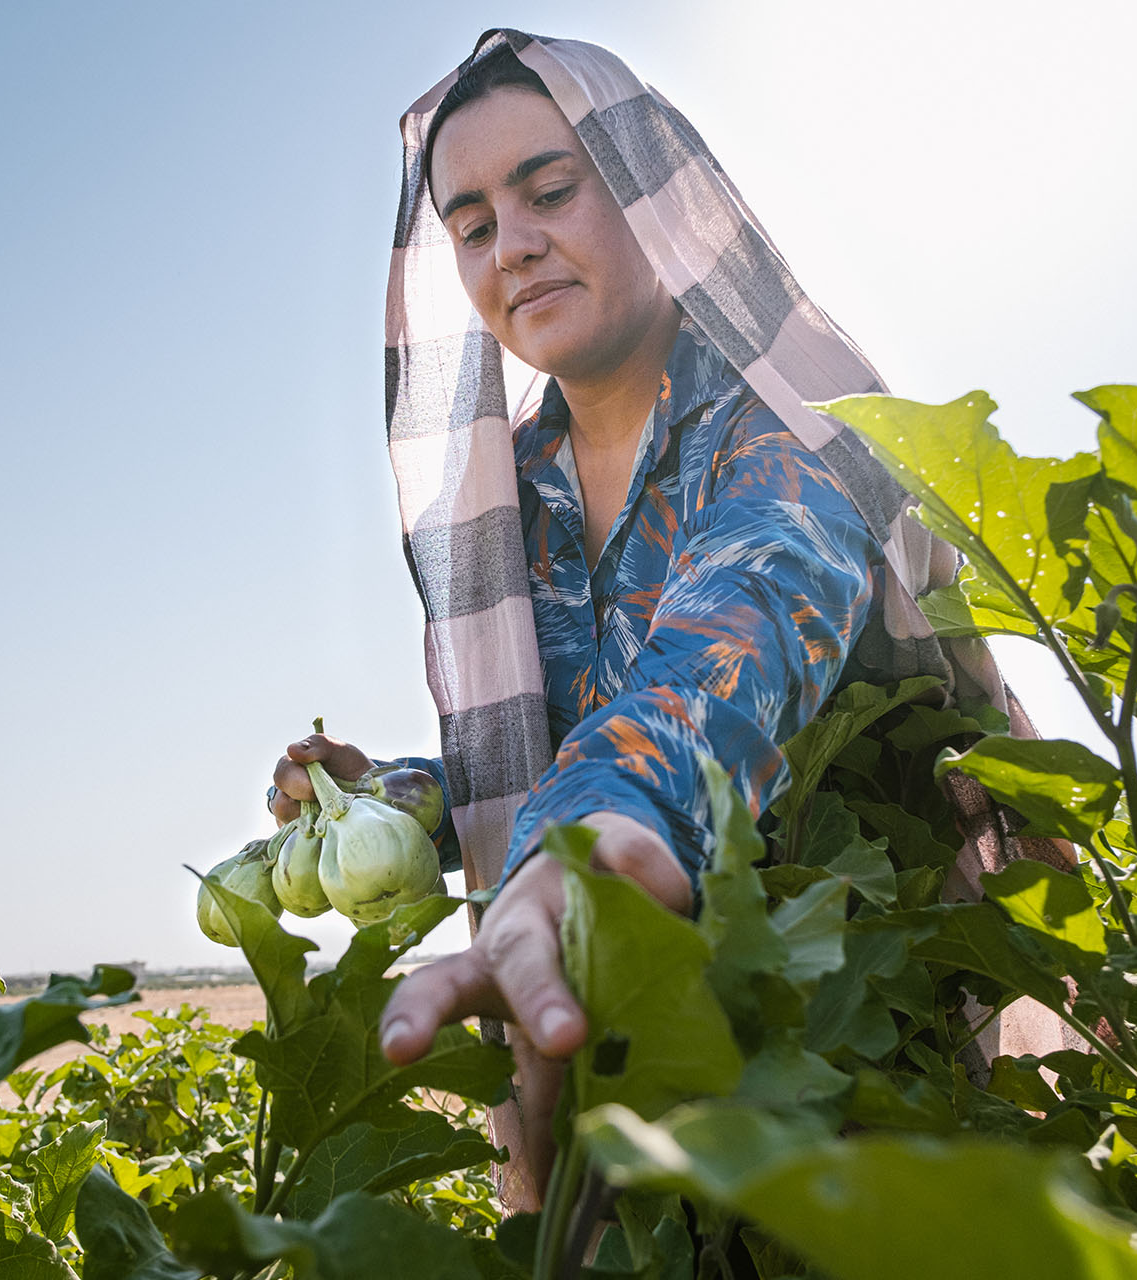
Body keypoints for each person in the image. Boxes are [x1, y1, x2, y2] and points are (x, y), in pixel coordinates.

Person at [268, 29, 1071, 1210]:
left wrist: (595, 830)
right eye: (475, 225)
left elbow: (732, 637)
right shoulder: (520, 492)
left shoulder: (791, 427)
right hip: (618, 1061)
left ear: (647, 189)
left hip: (840, 1060)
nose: (516, 245)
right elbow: (558, 732)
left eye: (551, 189)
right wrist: (386, 796)